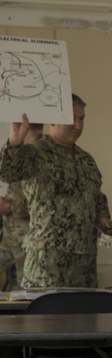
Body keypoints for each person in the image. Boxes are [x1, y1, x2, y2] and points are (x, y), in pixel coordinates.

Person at [0, 99, 111, 288]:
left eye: (82, 119)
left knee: (84, 316)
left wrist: (102, 215)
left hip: (84, 263)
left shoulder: (86, 160)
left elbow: (96, 195)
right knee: (44, 316)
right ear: (52, 119)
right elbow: (7, 173)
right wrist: (14, 143)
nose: (78, 125)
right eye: (71, 119)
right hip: (47, 262)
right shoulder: (35, 153)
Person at [0, 121, 43, 290]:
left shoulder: (38, 154)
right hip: (11, 237)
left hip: (26, 240)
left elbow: (40, 202)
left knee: (23, 292)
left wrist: (9, 207)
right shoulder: (22, 151)